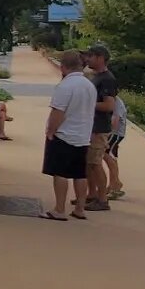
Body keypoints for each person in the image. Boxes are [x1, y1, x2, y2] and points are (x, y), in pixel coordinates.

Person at [40, 49, 96, 221]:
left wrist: (51, 131)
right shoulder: (89, 86)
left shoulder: (65, 86)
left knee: (60, 173)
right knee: (80, 174)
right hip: (83, 135)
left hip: (64, 135)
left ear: (63, 67)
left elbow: (58, 112)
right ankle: (80, 208)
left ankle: (59, 209)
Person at [82, 45, 119, 212]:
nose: (87, 59)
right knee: (89, 164)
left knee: (96, 163)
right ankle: (92, 195)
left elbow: (109, 105)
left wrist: (87, 104)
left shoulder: (107, 79)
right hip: (92, 126)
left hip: (99, 128)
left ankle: (102, 199)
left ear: (100, 58)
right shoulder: (97, 77)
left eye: (91, 56)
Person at [105, 95, 128, 201]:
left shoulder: (116, 101)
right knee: (111, 156)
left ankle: (116, 184)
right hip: (114, 133)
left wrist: (108, 135)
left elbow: (115, 119)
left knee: (107, 155)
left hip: (115, 133)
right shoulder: (112, 98)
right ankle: (114, 184)